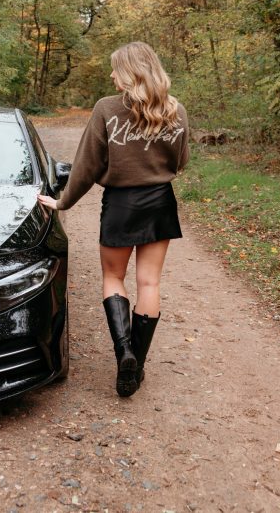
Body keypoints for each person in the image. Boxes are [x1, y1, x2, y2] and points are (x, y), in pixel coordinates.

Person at [37, 41, 189, 398]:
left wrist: (63, 202)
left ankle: (124, 353)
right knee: (149, 283)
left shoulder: (107, 108)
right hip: (160, 201)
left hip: (121, 204)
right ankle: (137, 365)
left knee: (113, 277)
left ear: (130, 72)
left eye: (115, 69)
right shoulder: (175, 110)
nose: (110, 75)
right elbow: (181, 161)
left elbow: (86, 166)